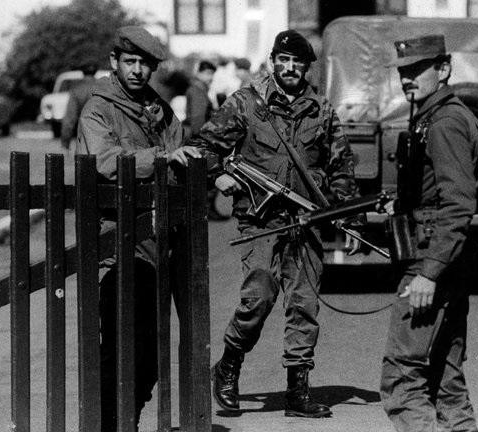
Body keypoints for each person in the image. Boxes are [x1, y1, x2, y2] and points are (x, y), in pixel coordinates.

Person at [189, 29, 360, 418]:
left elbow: (341, 168)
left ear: (306, 68)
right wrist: (218, 175)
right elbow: (203, 147)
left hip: (307, 222)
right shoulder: (246, 105)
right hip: (261, 221)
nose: (290, 69)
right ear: (272, 62)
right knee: (259, 297)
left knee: (304, 306)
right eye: (283, 61)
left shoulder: (321, 110)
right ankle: (228, 367)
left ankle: (297, 393)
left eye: (298, 63)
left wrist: (351, 220)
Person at [76, 25, 201, 431]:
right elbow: (106, 161)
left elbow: (183, 153)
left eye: (144, 64)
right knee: (116, 349)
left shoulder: (160, 111)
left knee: (149, 358)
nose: (137, 71)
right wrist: (163, 158)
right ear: (114, 62)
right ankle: (111, 424)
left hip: (156, 247)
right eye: (129, 62)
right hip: (112, 247)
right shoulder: (98, 109)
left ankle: (123, 420)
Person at [380, 34, 478, 432]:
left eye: (417, 70)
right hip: (449, 257)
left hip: (434, 261)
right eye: (404, 72)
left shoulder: (445, 122)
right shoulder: (440, 114)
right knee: (445, 374)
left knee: (402, 375)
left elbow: (458, 202)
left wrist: (428, 272)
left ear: (443, 69)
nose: (408, 79)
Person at [61, 64, 100, 149]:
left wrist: (65, 142)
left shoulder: (76, 89)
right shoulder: (103, 87)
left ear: (82, 72)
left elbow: (70, 118)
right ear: (95, 72)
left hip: (83, 134)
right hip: (101, 134)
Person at [185, 60, 216, 138]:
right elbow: (198, 117)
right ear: (199, 73)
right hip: (197, 135)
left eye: (212, 74)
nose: (211, 77)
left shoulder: (200, 89)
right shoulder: (197, 90)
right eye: (208, 73)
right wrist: (200, 138)